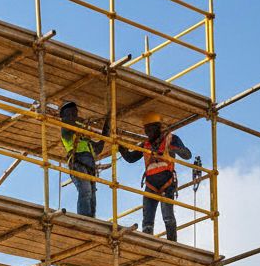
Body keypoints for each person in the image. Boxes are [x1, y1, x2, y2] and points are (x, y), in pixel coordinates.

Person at [119, 112, 192, 241]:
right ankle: (148, 243)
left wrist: (174, 149)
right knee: (147, 221)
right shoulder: (146, 144)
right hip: (150, 185)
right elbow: (131, 158)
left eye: (150, 129)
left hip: (167, 184)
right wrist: (120, 147)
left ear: (157, 128)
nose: (147, 133)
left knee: (168, 216)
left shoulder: (171, 139)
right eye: (146, 130)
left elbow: (187, 155)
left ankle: (172, 243)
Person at [59, 101, 107, 218]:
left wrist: (107, 128)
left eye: (75, 113)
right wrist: (80, 122)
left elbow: (98, 148)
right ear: (65, 116)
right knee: (85, 191)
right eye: (71, 113)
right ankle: (84, 218)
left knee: (92, 193)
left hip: (89, 165)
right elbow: (68, 122)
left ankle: (91, 218)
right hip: (77, 162)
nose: (74, 116)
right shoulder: (66, 131)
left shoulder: (84, 138)